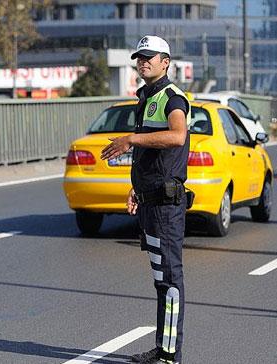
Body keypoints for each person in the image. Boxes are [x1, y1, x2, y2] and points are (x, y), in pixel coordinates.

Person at [100, 35, 190, 364]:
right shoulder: (145, 96)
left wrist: (131, 139)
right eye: (139, 57)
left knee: (169, 279)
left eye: (149, 57)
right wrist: (136, 188)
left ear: (166, 62)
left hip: (166, 205)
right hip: (150, 199)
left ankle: (170, 355)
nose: (143, 61)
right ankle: (163, 348)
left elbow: (177, 135)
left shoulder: (171, 97)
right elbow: (149, 154)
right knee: (160, 280)